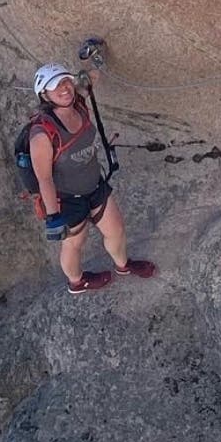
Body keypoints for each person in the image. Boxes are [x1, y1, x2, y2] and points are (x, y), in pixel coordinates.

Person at [29, 61, 156, 295]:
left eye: (66, 81)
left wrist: (95, 58)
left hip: (94, 185)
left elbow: (91, 78)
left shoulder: (78, 104)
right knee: (74, 243)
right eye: (55, 85)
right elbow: (44, 178)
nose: (64, 88)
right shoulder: (42, 133)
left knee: (116, 229)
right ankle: (77, 282)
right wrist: (53, 217)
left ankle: (123, 265)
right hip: (67, 198)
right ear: (44, 95)